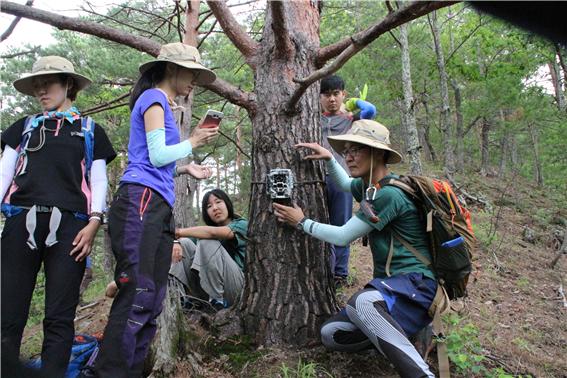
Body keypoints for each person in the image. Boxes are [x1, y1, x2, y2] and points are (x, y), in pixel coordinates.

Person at [273, 120, 437, 377]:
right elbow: (347, 185)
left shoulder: (389, 195)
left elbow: (342, 237)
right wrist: (329, 160)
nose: (348, 157)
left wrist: (301, 222)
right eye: (345, 151)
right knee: (332, 334)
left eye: (356, 150)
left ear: (378, 153)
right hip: (393, 289)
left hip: (416, 284)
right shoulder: (370, 187)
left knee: (363, 304)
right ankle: (407, 332)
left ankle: (420, 373)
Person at [92, 42, 218, 377]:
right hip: (140, 202)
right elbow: (157, 154)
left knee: (153, 298)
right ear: (171, 69)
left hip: (156, 203)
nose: (194, 81)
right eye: (191, 73)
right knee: (137, 292)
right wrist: (192, 142)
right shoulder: (154, 99)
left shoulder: (162, 103)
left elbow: (155, 161)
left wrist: (184, 169)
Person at [0, 55, 116, 377]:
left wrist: (94, 222)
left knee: (59, 317)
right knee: (7, 313)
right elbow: (3, 175)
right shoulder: (22, 128)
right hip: (21, 222)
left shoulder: (90, 130)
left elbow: (99, 180)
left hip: (72, 229)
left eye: (47, 83)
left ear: (68, 84)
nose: (41, 90)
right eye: (36, 85)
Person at [319, 75, 376, 285]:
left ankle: (340, 274)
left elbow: (370, 110)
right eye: (326, 94)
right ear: (319, 97)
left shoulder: (351, 119)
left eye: (336, 94)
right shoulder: (313, 118)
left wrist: (353, 104)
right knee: (319, 225)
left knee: (340, 224)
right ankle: (323, 269)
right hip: (315, 179)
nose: (331, 99)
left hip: (342, 179)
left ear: (343, 94)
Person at [169, 188, 248, 311]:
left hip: (237, 290)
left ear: (227, 203)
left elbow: (213, 233)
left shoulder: (242, 224)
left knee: (207, 240)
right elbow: (184, 241)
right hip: (207, 290)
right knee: (184, 244)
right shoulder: (206, 232)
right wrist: (176, 241)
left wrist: (178, 232)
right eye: (209, 206)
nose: (215, 208)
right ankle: (181, 297)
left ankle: (217, 301)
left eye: (218, 202)